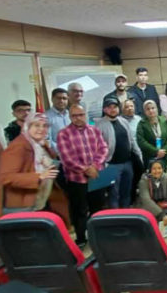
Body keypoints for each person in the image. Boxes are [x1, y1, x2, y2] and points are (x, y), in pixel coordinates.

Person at [0, 114, 69, 248]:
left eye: (45, 126)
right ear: (27, 126)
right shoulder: (19, 146)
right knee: (23, 245)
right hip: (21, 205)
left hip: (40, 201)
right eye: (36, 125)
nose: (41, 129)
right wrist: (38, 176)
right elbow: (6, 177)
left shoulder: (39, 144)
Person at [57, 104, 108, 247]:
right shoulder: (63, 134)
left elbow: (103, 148)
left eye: (80, 115)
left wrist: (95, 166)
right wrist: (86, 169)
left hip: (96, 178)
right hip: (77, 180)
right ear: (70, 117)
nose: (78, 118)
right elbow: (67, 159)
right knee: (79, 211)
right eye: (74, 116)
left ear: (85, 115)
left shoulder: (94, 130)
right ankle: (81, 239)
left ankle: (97, 237)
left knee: (97, 208)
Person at [93, 97, 142, 209]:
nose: (112, 109)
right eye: (109, 107)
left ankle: (126, 213)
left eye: (114, 107)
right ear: (104, 109)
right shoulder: (99, 125)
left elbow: (131, 141)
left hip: (127, 163)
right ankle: (115, 216)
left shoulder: (123, 121)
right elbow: (96, 147)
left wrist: (139, 154)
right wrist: (102, 164)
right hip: (111, 165)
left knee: (127, 192)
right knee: (113, 195)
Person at [135, 159, 167, 229]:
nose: (157, 171)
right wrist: (161, 214)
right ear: (150, 170)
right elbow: (146, 200)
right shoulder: (144, 181)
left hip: (164, 206)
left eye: (159, 168)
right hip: (148, 208)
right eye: (154, 169)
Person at [136, 99, 167, 167]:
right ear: (144, 112)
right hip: (150, 156)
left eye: (153, 108)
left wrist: (164, 150)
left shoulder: (164, 120)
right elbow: (141, 141)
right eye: (148, 109)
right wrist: (156, 151)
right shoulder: (142, 124)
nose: (151, 111)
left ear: (157, 109)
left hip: (165, 155)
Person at [46, 87, 71, 154]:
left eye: (64, 98)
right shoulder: (46, 117)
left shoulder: (71, 114)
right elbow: (47, 139)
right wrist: (62, 151)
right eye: (58, 98)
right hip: (58, 154)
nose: (61, 101)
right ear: (52, 99)